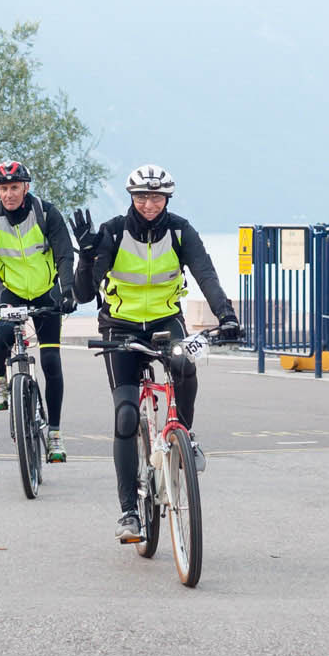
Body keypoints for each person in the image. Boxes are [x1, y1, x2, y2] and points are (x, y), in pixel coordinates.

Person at [73, 164, 242, 543]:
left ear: (167, 199)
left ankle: (185, 436)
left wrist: (227, 316)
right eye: (141, 197)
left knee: (184, 365)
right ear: (131, 197)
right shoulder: (113, 232)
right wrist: (86, 257)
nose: (149, 204)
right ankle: (129, 513)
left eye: (156, 197)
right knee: (126, 414)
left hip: (166, 323)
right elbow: (82, 294)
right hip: (120, 327)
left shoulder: (181, 232)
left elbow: (206, 275)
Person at [0, 160, 79, 462]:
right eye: (3, 188)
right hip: (12, 293)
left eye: (14, 187)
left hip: (47, 294)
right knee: (1, 338)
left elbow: (64, 255)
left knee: (51, 361)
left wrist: (68, 291)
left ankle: (55, 434)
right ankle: (0, 379)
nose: (8, 194)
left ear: (26, 187)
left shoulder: (46, 214)